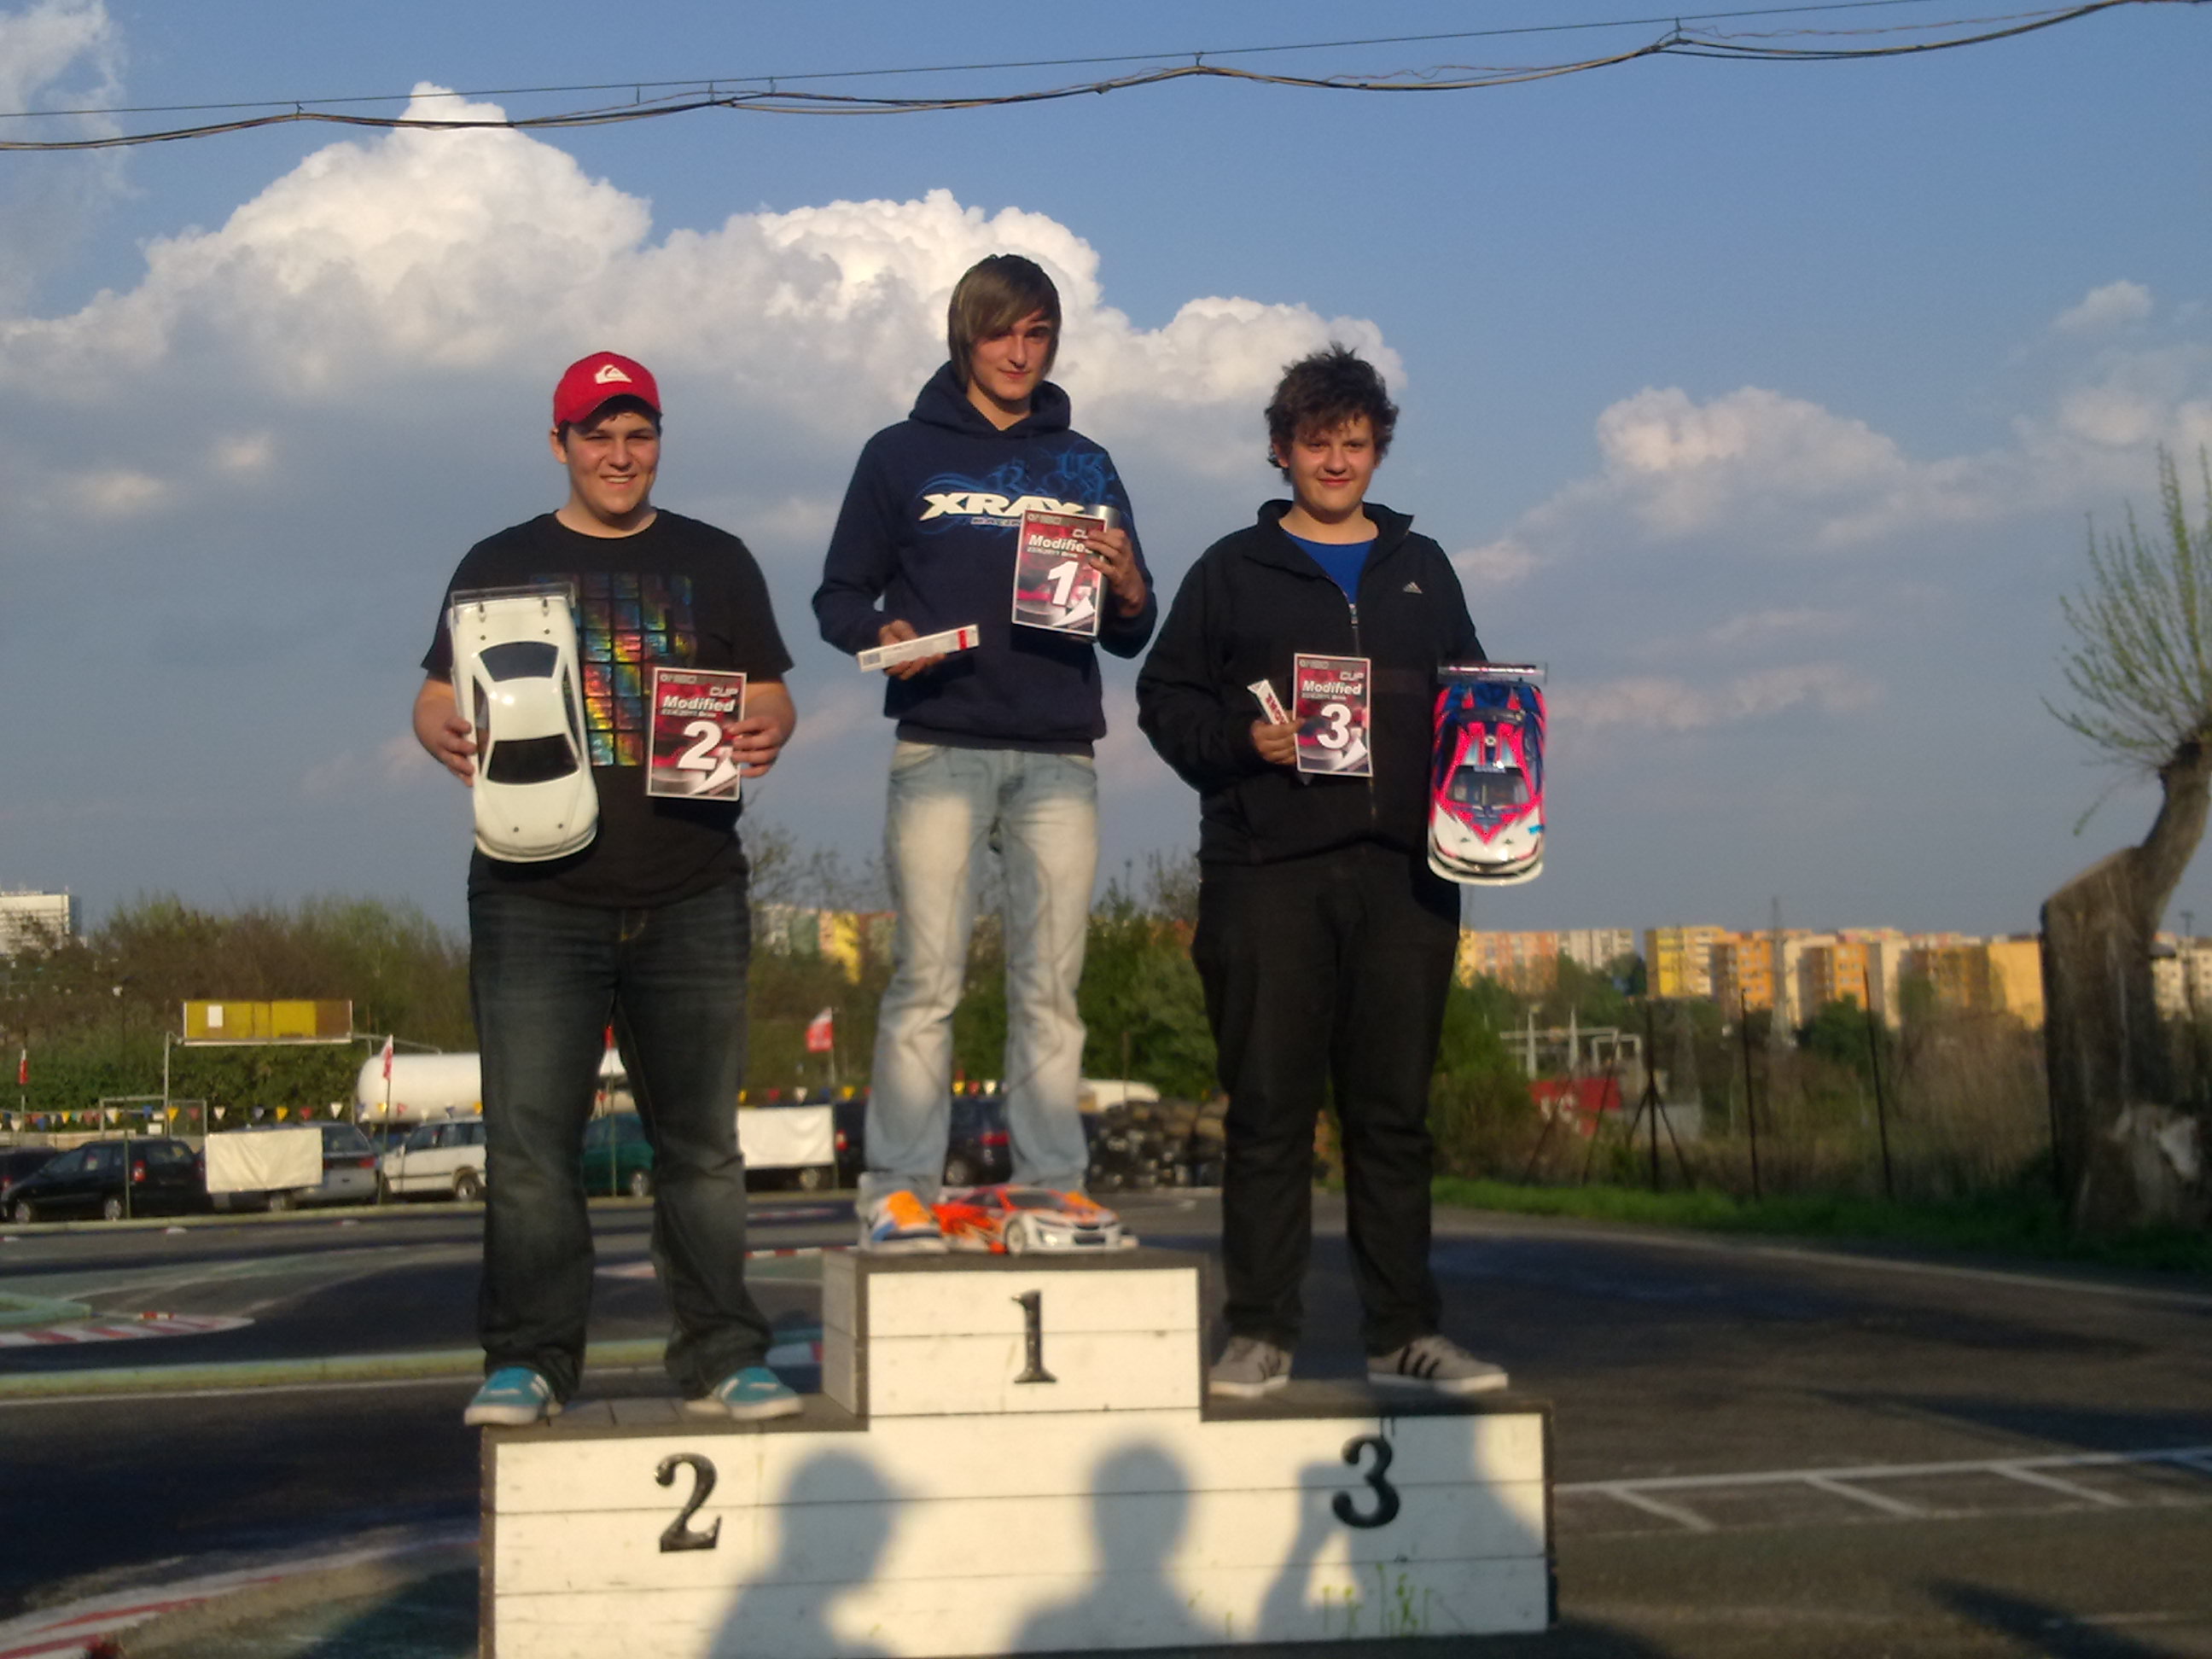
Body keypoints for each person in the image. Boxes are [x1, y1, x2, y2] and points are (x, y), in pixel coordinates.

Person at [414, 351, 801, 1425]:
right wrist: (436, 724)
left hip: (692, 889)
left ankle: (723, 1356)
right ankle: (529, 1362)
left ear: (660, 441)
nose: (620, 455)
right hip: (533, 895)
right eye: (598, 436)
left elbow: (770, 692)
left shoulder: (718, 559)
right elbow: (437, 694)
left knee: (702, 1149)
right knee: (530, 1151)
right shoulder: (498, 562)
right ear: (560, 445)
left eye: (639, 435)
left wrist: (770, 722)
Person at [1135, 345, 1508, 1397]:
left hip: (1408, 880)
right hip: (1267, 876)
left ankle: (1405, 1337)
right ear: (1280, 449)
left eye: (1355, 442)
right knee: (1268, 1113)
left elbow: (1475, 696)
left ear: (1378, 450)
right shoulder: (1229, 570)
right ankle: (1258, 1332)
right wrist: (1239, 743)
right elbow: (1165, 700)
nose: (1336, 461)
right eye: (1316, 443)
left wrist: (1501, 776)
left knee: (1393, 1121)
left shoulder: (1424, 567)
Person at [813, 255, 1156, 1250]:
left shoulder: (1086, 463)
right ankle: (899, 1188)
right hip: (941, 746)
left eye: (1038, 333)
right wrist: (879, 636)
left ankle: (1051, 1186)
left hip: (1059, 755)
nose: (1019, 352)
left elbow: (1133, 628)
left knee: (1051, 990)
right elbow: (838, 595)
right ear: (966, 334)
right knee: (928, 982)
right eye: (1003, 331)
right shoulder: (899, 454)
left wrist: (1131, 584)